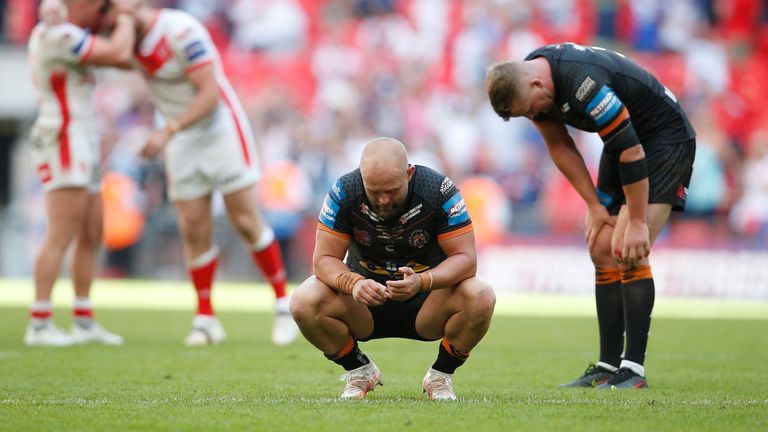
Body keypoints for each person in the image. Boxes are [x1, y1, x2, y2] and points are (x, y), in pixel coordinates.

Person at [486, 43, 696, 389]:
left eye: (531, 109)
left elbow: (633, 150)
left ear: (537, 85)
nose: (534, 115)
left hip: (662, 142)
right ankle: (607, 365)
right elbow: (559, 146)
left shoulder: (584, 82)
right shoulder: (531, 82)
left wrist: (638, 221)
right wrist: (594, 206)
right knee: (601, 246)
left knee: (629, 248)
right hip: (622, 143)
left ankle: (634, 369)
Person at [131, 2, 298, 346]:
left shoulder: (179, 29)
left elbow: (209, 93)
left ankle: (283, 305)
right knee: (193, 226)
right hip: (181, 137)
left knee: (246, 220)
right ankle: (206, 317)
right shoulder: (124, 37)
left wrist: (167, 130)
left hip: (217, 129)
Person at [290, 137, 496, 400]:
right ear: (362, 177)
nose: (384, 200)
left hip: (429, 300)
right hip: (362, 302)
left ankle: (441, 377)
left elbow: (466, 259)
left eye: (392, 190)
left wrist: (423, 281)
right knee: (303, 301)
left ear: (409, 174)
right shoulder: (344, 190)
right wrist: (354, 283)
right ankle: (359, 370)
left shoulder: (439, 190)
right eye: (374, 191)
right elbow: (323, 260)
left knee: (482, 295)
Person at [25, 0, 137, 346]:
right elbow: (121, 54)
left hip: (82, 137)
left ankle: (83, 319)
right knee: (60, 232)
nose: (102, 14)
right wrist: (127, 14)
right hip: (63, 134)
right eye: (99, 6)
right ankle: (40, 321)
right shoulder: (60, 32)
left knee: (91, 231)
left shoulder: (69, 26)